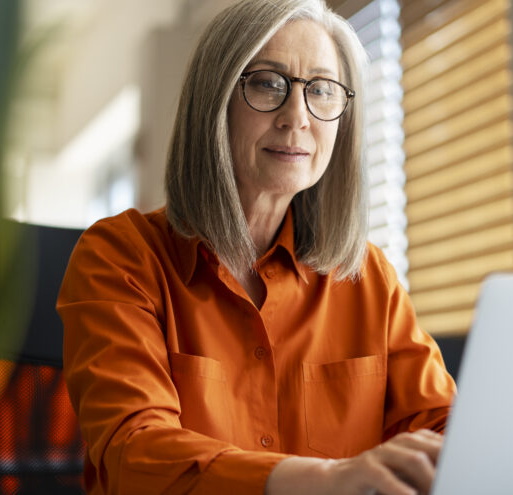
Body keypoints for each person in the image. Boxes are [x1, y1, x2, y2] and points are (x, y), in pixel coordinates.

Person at [57, 0, 456, 493]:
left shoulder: (369, 277)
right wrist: (321, 480)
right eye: (268, 83)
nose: (297, 117)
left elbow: (444, 432)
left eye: (322, 90)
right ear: (215, 99)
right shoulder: (119, 256)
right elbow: (135, 453)